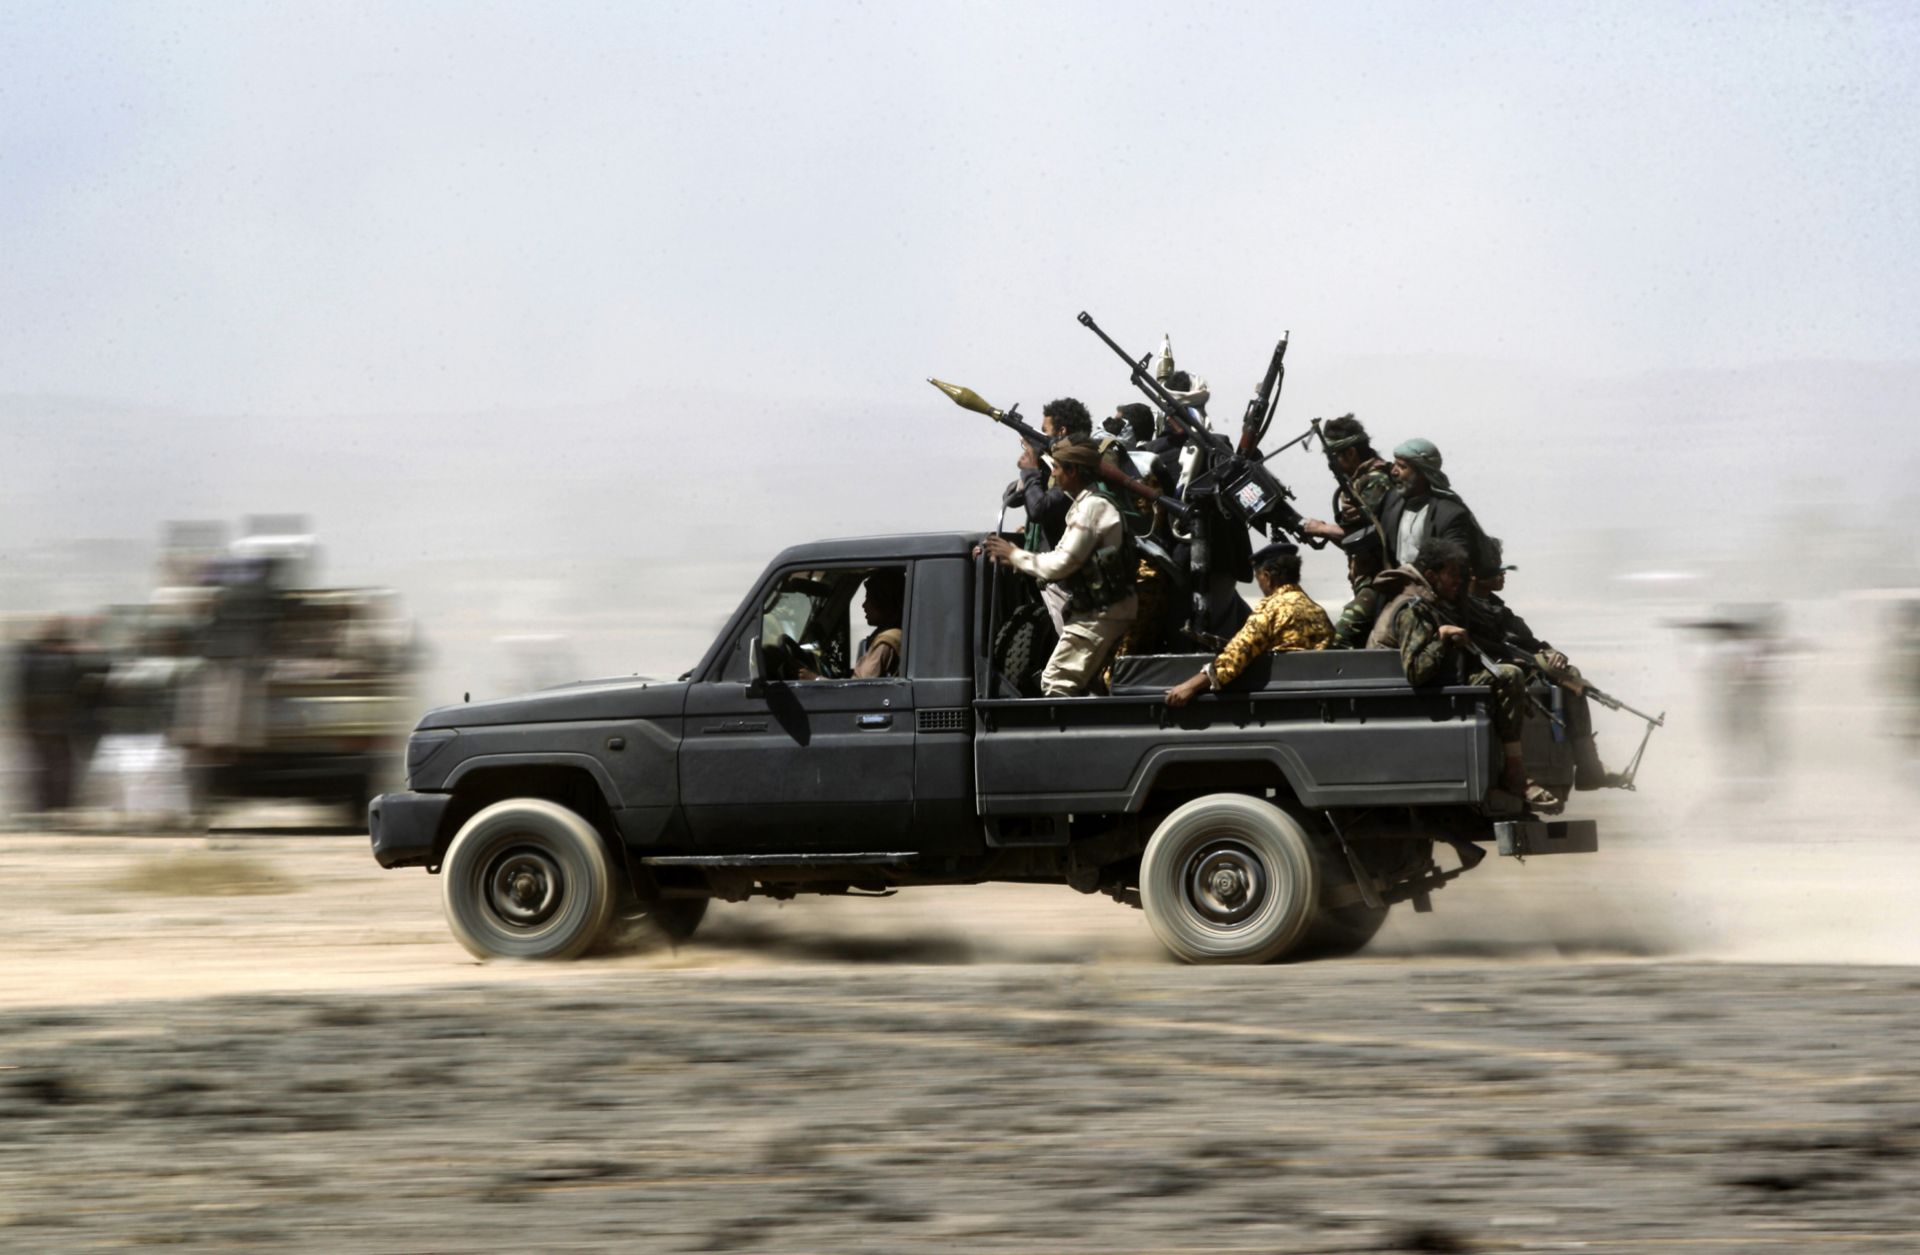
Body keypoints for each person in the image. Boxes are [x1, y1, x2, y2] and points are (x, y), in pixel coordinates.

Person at [1372, 537, 1529, 800]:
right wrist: (1442, 637)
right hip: (1411, 700)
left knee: (1512, 672)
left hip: (1431, 691)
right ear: (1432, 575)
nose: (1459, 582)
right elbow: (1416, 672)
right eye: (1452, 575)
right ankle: (1514, 770)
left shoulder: (1429, 602)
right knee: (1509, 677)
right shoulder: (1413, 608)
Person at [981, 441, 1138, 696]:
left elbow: (1063, 563)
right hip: (1098, 610)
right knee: (1092, 685)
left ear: (1073, 471)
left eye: (1056, 468)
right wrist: (1015, 558)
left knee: (1057, 681)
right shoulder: (1084, 505)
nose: (1052, 474)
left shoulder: (1092, 507)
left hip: (1099, 614)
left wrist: (1016, 555)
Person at [1469, 540, 1625, 791]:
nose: (1503, 575)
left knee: (1571, 676)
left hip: (1517, 672)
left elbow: (1533, 643)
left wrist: (1553, 655)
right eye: (1495, 570)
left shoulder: (1497, 609)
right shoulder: (1464, 610)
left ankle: (1588, 765)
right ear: (1474, 574)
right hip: (1498, 676)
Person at [1163, 542, 1333, 707]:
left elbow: (1236, 656)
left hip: (1281, 698)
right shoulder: (1317, 610)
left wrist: (1189, 686)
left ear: (1267, 577)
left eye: (1258, 578)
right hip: (1317, 694)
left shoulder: (1271, 609)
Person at [1299, 414, 1393, 594]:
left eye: (1332, 457)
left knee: (1348, 623)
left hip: (1378, 581)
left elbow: (1369, 537)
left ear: (1350, 453)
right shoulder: (1358, 482)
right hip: (1365, 579)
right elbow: (1351, 541)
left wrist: (1322, 529)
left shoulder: (1375, 481)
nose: (1330, 464)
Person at [851, 569, 905, 679]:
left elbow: (859, 687)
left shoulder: (887, 640)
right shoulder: (896, 633)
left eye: (868, 598)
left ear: (883, 601)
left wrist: (816, 679)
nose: (864, 605)